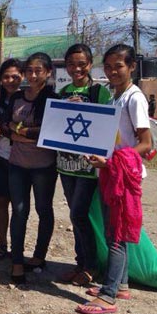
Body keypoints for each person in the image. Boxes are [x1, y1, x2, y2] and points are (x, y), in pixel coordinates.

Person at [77, 44, 152, 314]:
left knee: (117, 236)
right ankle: (120, 284)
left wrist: (111, 161)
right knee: (113, 231)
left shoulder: (134, 98)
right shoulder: (113, 97)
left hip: (124, 175)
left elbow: (146, 143)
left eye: (118, 66)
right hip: (110, 172)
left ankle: (108, 296)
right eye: (108, 67)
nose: (112, 71)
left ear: (131, 66)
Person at [0, 52, 58, 284]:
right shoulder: (16, 98)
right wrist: (27, 133)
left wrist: (20, 131)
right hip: (17, 164)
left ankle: (38, 256)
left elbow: (48, 132)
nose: (33, 75)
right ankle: (16, 261)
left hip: (44, 166)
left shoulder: (52, 99)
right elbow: (4, 126)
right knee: (20, 211)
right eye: (29, 70)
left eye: (38, 70)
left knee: (44, 210)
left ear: (48, 72)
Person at [56, 44, 111, 286]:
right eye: (71, 64)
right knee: (74, 215)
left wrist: (84, 108)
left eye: (81, 64)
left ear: (90, 64)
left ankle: (91, 266)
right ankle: (80, 263)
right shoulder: (62, 91)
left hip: (88, 166)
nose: (76, 68)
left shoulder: (100, 91)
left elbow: (105, 123)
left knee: (79, 214)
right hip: (66, 163)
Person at [0, 59, 23, 259]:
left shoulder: (28, 98)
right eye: (6, 77)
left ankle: (17, 247)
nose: (10, 81)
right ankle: (2, 244)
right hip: (0, 156)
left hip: (22, 160)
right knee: (1, 201)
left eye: (15, 76)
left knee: (19, 206)